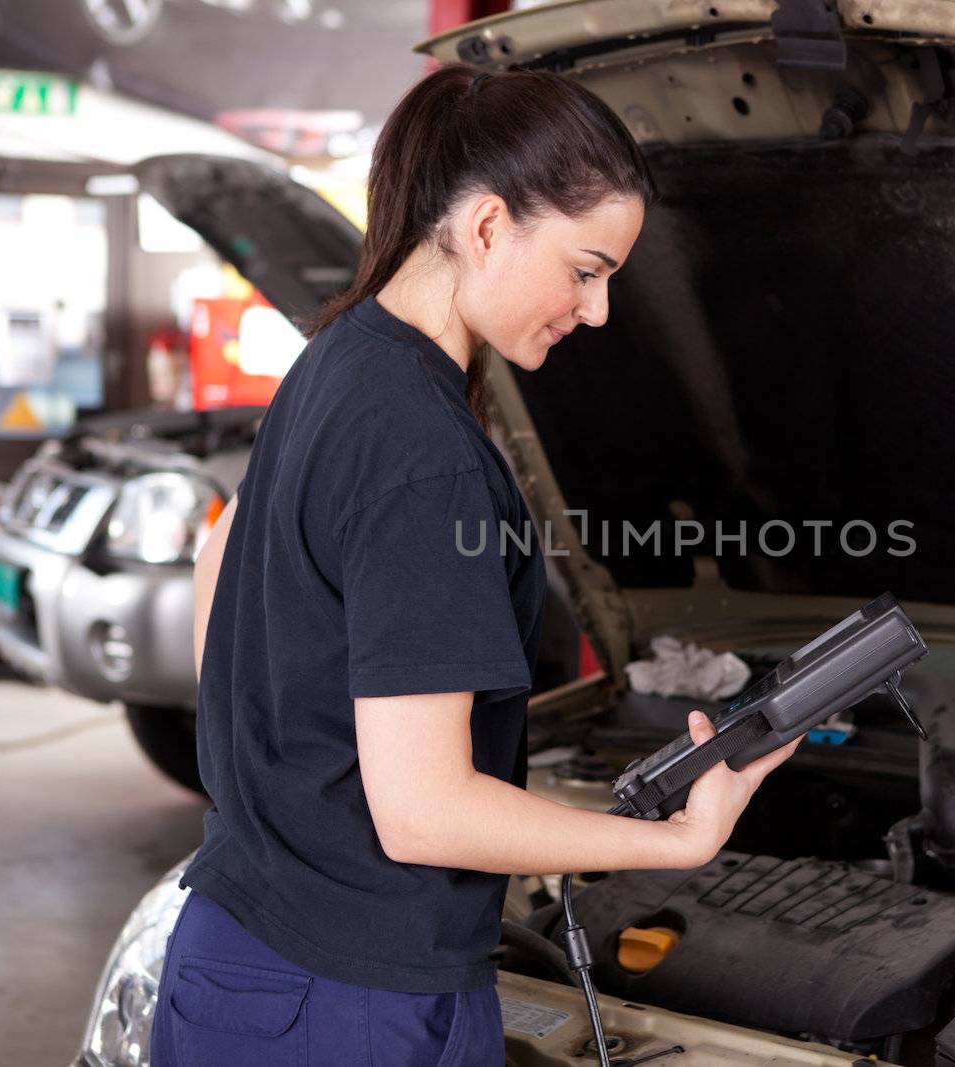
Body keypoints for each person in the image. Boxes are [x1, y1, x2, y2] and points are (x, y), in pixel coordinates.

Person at [148, 65, 802, 1066]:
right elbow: (423, 814)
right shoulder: (426, 452)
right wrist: (674, 841)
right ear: (489, 225)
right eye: (586, 269)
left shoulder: (338, 356)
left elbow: (220, 548)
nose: (597, 311)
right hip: (354, 1005)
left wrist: (281, 770)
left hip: (233, 950)